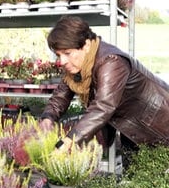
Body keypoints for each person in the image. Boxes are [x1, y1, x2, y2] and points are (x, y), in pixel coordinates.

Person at [41, 15, 169, 154]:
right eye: (59, 55)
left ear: (86, 45)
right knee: (133, 172)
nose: (62, 61)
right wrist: (48, 118)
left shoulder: (111, 62)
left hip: (159, 128)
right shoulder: (78, 65)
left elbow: (103, 106)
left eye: (67, 53)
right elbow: (61, 95)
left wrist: (69, 142)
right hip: (131, 128)